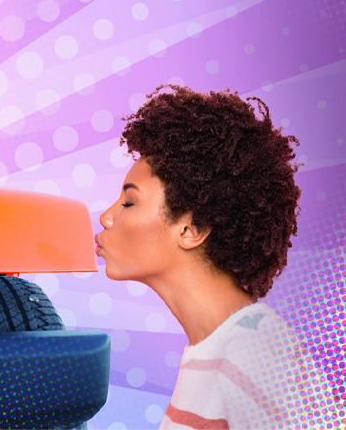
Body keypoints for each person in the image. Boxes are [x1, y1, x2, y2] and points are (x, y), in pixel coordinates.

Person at [96, 84, 331, 428]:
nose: (106, 216)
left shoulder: (255, 352)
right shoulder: (207, 352)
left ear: (192, 229)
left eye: (129, 202)